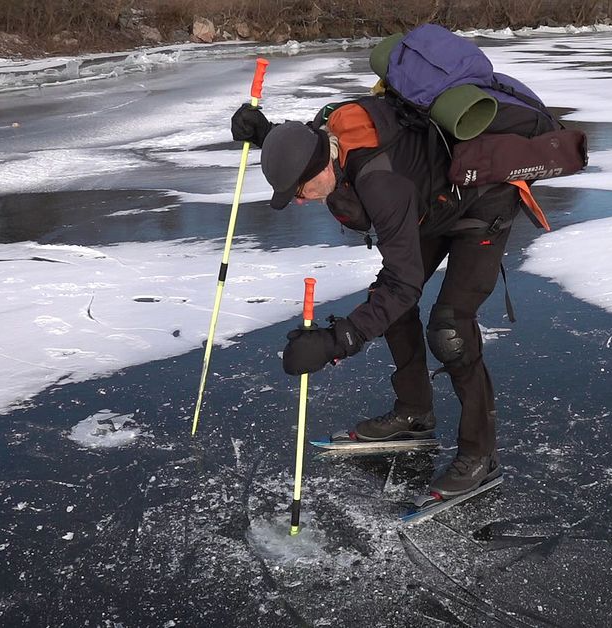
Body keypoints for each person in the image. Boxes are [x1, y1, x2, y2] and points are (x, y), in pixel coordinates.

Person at [230, 53, 542, 499]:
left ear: (322, 169)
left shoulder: (381, 184)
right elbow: (304, 147)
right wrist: (266, 134)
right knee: (391, 306)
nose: (299, 200)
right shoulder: (326, 133)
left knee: (450, 328)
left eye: (299, 190)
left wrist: (336, 342)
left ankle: (480, 456)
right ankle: (415, 412)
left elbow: (404, 282)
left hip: (483, 203)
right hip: (435, 198)